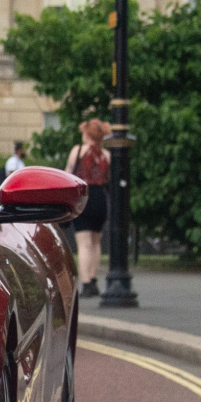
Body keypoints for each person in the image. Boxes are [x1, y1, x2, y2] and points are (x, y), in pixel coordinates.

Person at [64, 119, 113, 297]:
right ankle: (93, 279)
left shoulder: (77, 151)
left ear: (87, 134)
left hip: (83, 197)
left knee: (83, 243)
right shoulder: (107, 155)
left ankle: (85, 283)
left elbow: (67, 175)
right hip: (100, 198)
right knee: (96, 242)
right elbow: (109, 178)